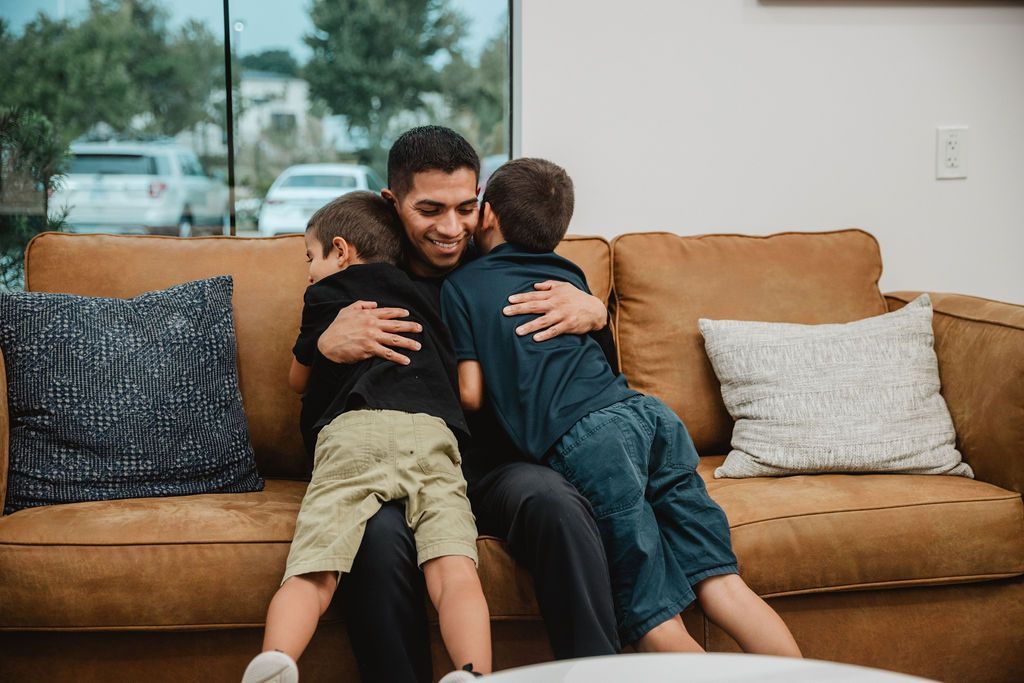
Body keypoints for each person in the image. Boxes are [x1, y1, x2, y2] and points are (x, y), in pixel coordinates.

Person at [439, 157, 803, 657]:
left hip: (594, 443)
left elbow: (473, 393)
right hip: (650, 418)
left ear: (489, 215)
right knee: (723, 586)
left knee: (653, 615)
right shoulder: (568, 274)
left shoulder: (461, 286)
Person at [315, 126, 619, 682]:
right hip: (399, 471)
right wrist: (322, 347)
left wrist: (597, 316)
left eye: (465, 207)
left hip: (494, 468)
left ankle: (597, 675)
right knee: (377, 537)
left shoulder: (511, 263)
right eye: (430, 209)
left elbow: (588, 380)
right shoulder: (365, 277)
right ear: (393, 202)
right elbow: (328, 413)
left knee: (555, 501)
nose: (451, 229)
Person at [242, 192, 490, 683]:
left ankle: (276, 661)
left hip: (354, 431)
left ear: (341, 250)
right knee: (453, 570)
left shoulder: (327, 295)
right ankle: (474, 674)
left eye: (310, 258)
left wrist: (322, 342)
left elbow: (298, 379)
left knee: (315, 569)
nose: (309, 272)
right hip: (432, 432)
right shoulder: (434, 295)